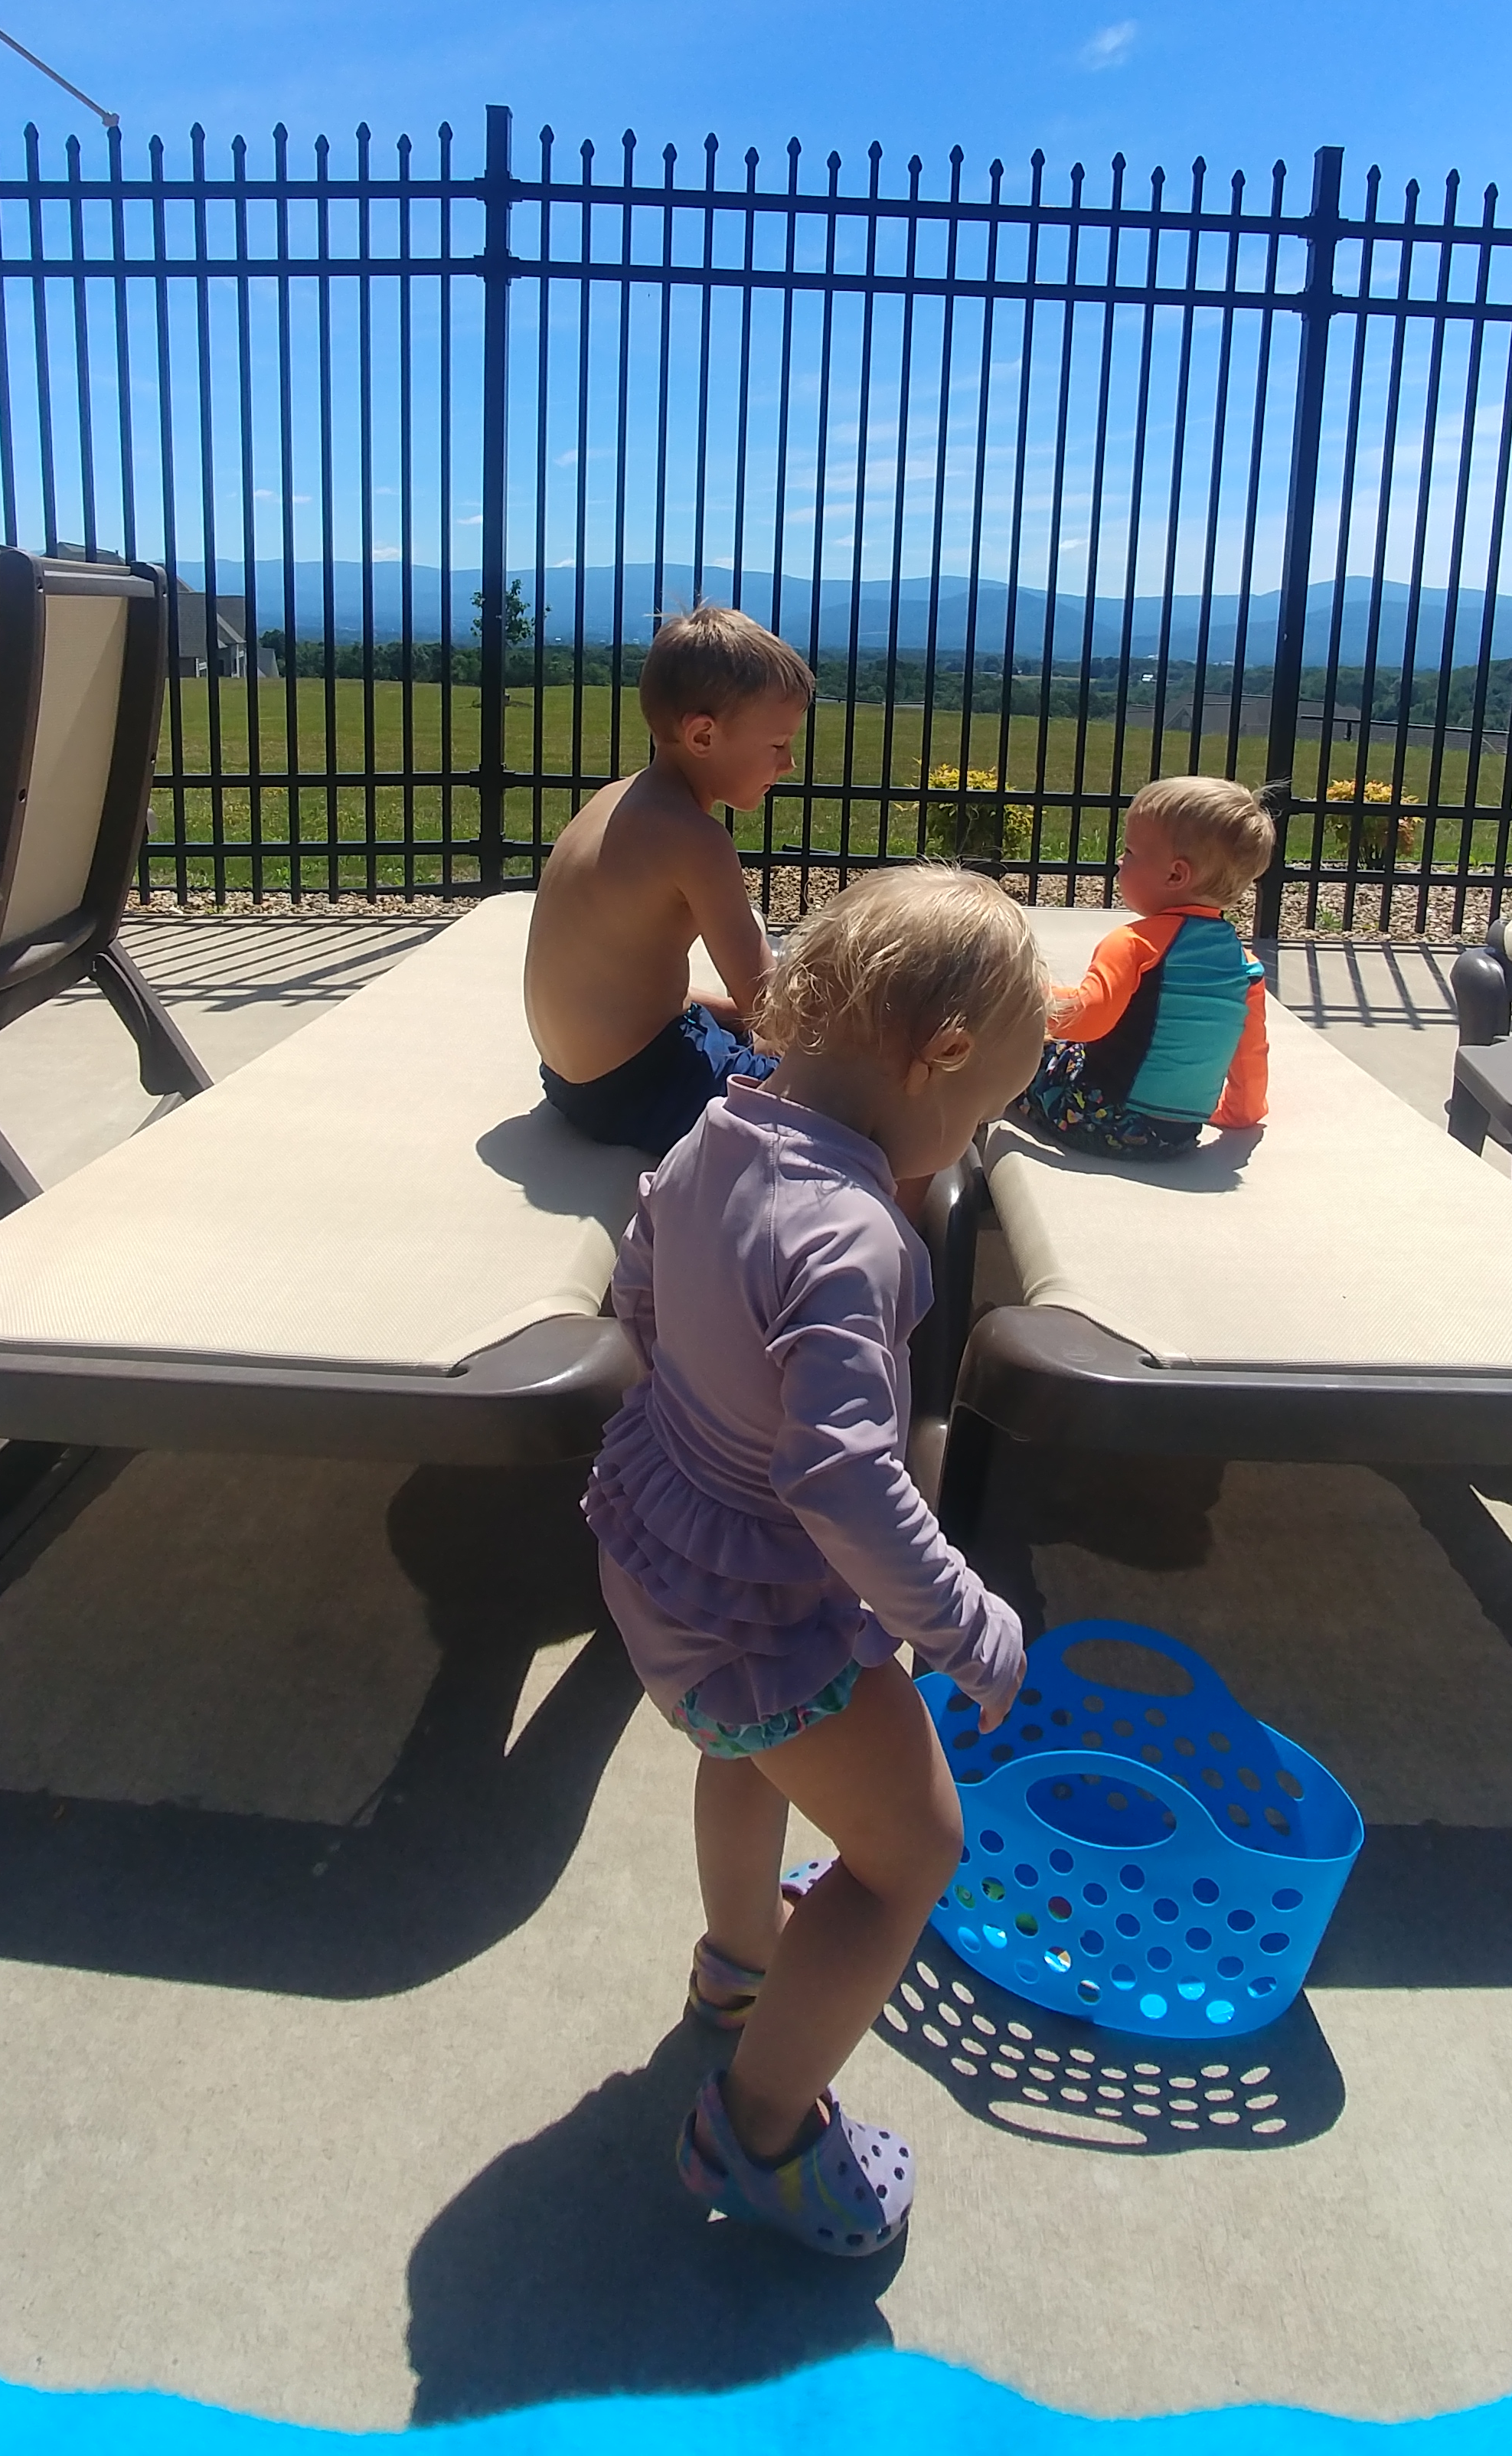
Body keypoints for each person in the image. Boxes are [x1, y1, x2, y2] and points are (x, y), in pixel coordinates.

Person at [583, 867, 1046, 2255]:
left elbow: (638, 1284)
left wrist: (697, 1412)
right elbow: (841, 1477)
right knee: (909, 1855)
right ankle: (763, 2132)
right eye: (982, 1110)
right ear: (939, 1056)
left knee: (747, 1754)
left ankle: (740, 1968)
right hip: (768, 1612)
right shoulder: (851, 1237)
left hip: (664, 1558)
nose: (969, 1138)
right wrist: (965, 1624)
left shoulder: (717, 1131)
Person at [524, 604, 814, 1155]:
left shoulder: (615, 800)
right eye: (778, 745)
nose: (789, 764)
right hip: (637, 1088)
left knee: (728, 1021)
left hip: (568, 1077)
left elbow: (623, 977)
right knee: (835, 1105)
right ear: (703, 736)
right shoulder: (696, 841)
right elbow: (769, 1007)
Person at [1018, 774, 1275, 1155]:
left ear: (1175, 874)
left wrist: (1024, 997)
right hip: (1174, 1137)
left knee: (1029, 1048)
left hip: (1099, 1118)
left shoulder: (1135, 944)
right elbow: (1250, 1057)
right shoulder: (1244, 965)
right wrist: (1240, 1113)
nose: (1120, 860)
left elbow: (1086, 1019)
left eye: (1131, 852)